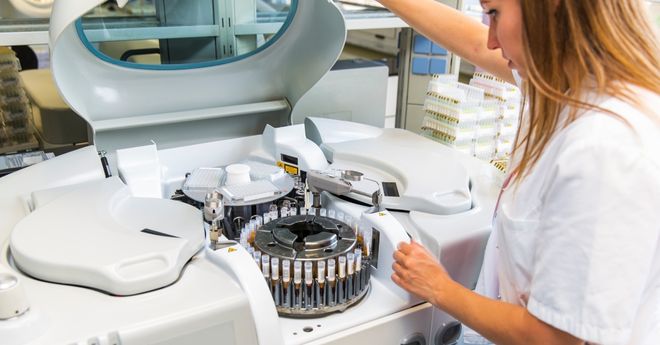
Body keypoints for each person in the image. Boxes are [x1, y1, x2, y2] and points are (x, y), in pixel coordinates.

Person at [378, 0, 660, 344]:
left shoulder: (605, 150)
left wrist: (440, 288)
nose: (492, 39)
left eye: (494, 13)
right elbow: (474, 42)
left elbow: (553, 338)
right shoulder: (559, 78)